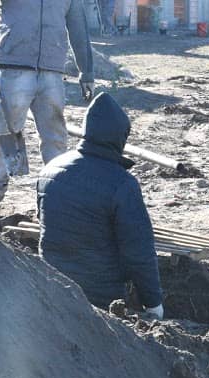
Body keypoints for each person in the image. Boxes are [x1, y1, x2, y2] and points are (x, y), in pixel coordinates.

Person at [37, 93, 164, 320]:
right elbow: (139, 252)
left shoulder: (50, 169)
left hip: (51, 288)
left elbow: (44, 223)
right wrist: (153, 303)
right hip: (101, 298)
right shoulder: (122, 183)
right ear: (120, 136)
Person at [0, 0, 95, 217]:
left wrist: (86, 71)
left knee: (55, 136)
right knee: (5, 130)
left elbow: (78, 25)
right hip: (14, 65)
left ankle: (55, 193)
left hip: (52, 70)